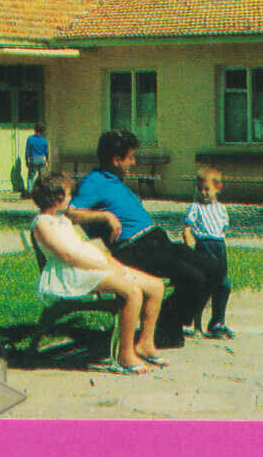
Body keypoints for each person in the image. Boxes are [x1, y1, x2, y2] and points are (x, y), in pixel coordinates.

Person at [66, 129, 222, 349]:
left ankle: (167, 320)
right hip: (135, 249)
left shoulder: (116, 180)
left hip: (156, 241)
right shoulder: (95, 181)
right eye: (130, 157)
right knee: (194, 277)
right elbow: (71, 212)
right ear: (116, 160)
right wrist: (105, 216)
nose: (134, 161)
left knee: (214, 269)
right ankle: (167, 325)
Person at [30, 173, 168, 374]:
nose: (71, 199)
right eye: (68, 194)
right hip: (70, 274)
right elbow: (67, 255)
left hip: (89, 266)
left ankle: (145, 343)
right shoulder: (42, 223)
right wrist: (101, 265)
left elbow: (83, 246)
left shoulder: (63, 220)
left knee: (156, 286)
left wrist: (111, 262)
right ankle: (125, 355)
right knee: (132, 291)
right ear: (57, 197)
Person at [182, 166, 235, 339]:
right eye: (200, 189)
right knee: (203, 286)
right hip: (203, 248)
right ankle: (195, 323)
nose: (203, 193)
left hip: (219, 248)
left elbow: (222, 231)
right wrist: (190, 249)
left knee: (223, 285)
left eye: (207, 189)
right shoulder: (195, 208)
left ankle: (217, 322)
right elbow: (187, 230)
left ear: (217, 188)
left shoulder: (221, 209)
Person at [24, 123, 49, 195]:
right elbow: (46, 152)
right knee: (42, 177)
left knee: (30, 177)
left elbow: (27, 151)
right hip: (41, 159)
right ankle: (42, 192)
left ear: (35, 130)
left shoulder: (30, 139)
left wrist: (26, 161)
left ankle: (29, 192)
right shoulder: (44, 140)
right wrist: (47, 161)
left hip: (33, 159)